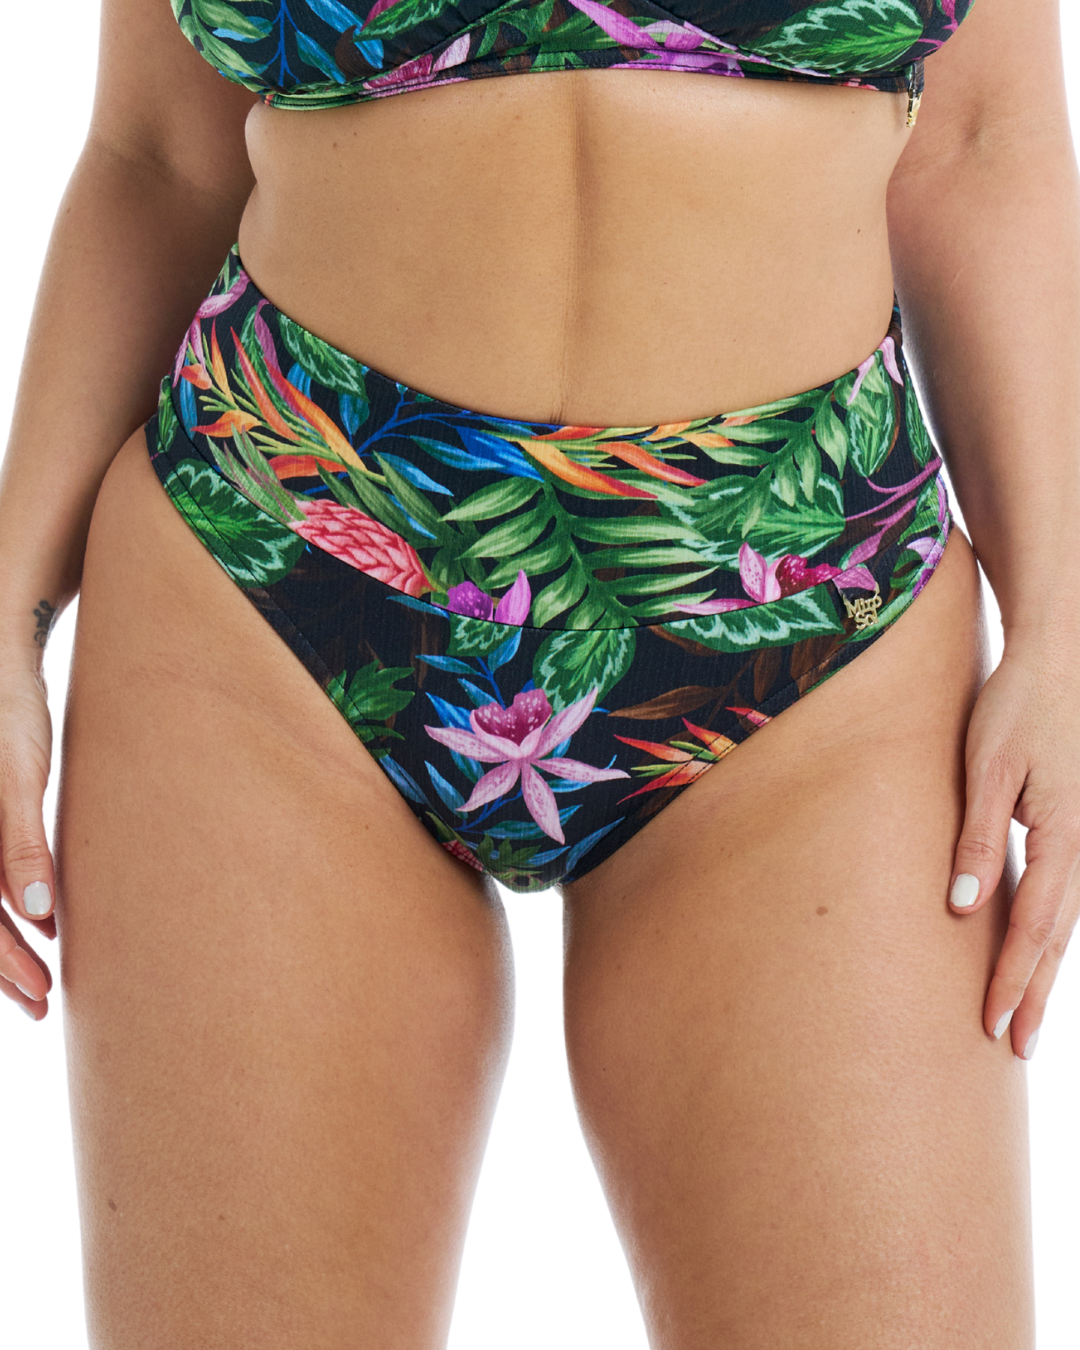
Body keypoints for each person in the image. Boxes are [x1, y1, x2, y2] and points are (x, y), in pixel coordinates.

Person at [2, 0, 1079, 1343]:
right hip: (280, 554)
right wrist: (8, 618)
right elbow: (158, 157)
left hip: (806, 604)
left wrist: (1061, 625)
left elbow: (980, 142)